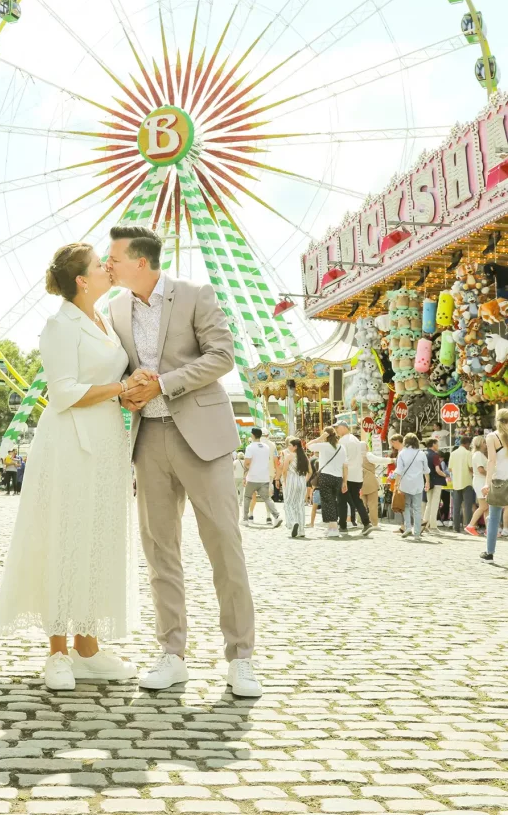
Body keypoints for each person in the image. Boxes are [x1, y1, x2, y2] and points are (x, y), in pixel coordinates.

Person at [107, 224, 261, 698]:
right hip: (148, 438)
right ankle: (172, 653)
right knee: (159, 552)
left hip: (204, 436)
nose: (106, 264)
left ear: (141, 261)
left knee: (224, 547)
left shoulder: (196, 294)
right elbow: (121, 371)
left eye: (113, 257)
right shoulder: (113, 309)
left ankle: (241, 658)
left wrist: (165, 383)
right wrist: (129, 391)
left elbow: (223, 356)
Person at [0, 242, 145, 691]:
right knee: (64, 533)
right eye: (100, 265)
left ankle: (88, 647)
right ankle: (57, 651)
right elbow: (61, 392)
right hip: (68, 443)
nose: (107, 269)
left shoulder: (106, 320)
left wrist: (133, 388)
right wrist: (120, 387)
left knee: (98, 538)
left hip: (107, 442)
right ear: (81, 280)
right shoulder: (60, 325)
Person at [307, 427, 348, 539]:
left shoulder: (324, 446)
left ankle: (334, 528)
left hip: (326, 476)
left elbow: (308, 445)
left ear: (326, 435)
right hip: (338, 478)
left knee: (327, 501)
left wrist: (320, 438)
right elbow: (345, 465)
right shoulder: (341, 447)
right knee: (332, 501)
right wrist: (345, 481)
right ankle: (331, 527)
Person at [335, 422, 372, 537]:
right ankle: (366, 522)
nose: (336, 430)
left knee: (341, 501)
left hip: (347, 475)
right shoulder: (356, 440)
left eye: (337, 427)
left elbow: (342, 460)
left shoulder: (342, 441)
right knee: (356, 500)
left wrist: (342, 478)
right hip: (357, 475)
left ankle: (342, 526)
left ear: (344, 427)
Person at [481, 410, 508, 562]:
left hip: (499, 481)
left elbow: (491, 461)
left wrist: (486, 482)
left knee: (494, 518)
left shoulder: (492, 437)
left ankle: (489, 553)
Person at [243, 429, 283, 528]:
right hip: (264, 477)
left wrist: (245, 476)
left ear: (252, 435)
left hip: (253, 477)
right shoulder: (266, 447)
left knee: (247, 497)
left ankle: (245, 519)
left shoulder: (250, 447)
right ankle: (276, 516)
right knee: (267, 498)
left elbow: (247, 463)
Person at [393, 433, 429, 541]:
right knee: (417, 509)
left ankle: (408, 527)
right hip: (418, 484)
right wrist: (427, 482)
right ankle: (417, 533)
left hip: (405, 484)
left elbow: (399, 471)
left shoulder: (402, 453)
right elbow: (426, 470)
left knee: (406, 507)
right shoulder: (421, 454)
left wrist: (396, 484)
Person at [281, 437, 310, 538]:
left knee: (288, 503)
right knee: (300, 505)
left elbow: (284, 471)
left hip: (292, 480)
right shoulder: (305, 457)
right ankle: (302, 530)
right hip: (302, 481)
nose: (288, 447)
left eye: (290, 445)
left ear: (295, 447)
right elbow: (310, 471)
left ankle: (293, 522)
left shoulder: (289, 456)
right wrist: (304, 480)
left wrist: (284, 481)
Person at [449, 436, 474, 533]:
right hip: (467, 481)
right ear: (467, 443)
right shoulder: (468, 453)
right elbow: (471, 467)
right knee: (467, 506)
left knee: (456, 506)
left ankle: (456, 527)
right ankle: (468, 526)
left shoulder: (453, 453)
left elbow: (450, 468)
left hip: (456, 482)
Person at [422, 438, 447, 534]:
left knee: (429, 503)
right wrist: (445, 475)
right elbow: (438, 470)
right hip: (436, 481)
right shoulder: (435, 455)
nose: (438, 446)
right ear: (433, 444)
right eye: (437, 444)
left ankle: (425, 525)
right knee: (435, 504)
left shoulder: (424, 454)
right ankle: (433, 526)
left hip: (428, 481)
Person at [465, 436, 488, 537]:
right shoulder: (478, 454)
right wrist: (491, 474)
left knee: (486, 507)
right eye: (484, 442)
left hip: (481, 481)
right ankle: (470, 525)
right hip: (480, 482)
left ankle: (488, 529)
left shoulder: (479, 454)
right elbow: (481, 470)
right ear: (480, 443)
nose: (486, 444)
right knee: (484, 506)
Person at [359, 443, 380, 528]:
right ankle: (374, 523)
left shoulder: (356, 457)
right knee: (373, 504)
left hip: (360, 482)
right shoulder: (368, 455)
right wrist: (391, 460)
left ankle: (361, 522)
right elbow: (379, 460)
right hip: (371, 482)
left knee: (361, 504)